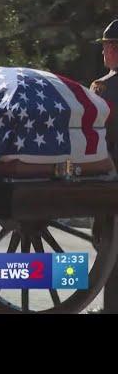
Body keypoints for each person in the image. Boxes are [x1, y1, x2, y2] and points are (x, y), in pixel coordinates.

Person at [89, 19, 118, 314]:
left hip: (111, 173)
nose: (105, 51)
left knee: (108, 243)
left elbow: (95, 133)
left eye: (108, 46)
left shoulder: (103, 88)